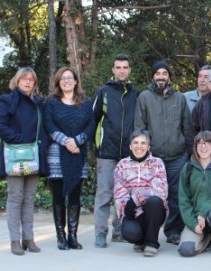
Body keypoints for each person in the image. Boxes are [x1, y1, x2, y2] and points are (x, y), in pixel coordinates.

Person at [134, 61, 190, 245]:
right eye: (157, 73)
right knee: (151, 197)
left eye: (164, 73)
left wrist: (188, 153)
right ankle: (146, 233)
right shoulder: (144, 97)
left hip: (177, 157)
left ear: (169, 76)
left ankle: (173, 231)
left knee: (175, 196)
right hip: (153, 159)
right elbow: (139, 127)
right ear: (153, 76)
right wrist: (142, 155)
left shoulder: (180, 98)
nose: (160, 76)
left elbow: (187, 128)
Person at [0, 67, 49, 255]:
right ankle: (14, 241)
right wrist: (20, 142)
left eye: (31, 79)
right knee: (15, 197)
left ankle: (29, 238)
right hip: (15, 156)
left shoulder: (39, 103)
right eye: (24, 79)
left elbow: (44, 128)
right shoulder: (7, 100)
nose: (27, 82)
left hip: (34, 156)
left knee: (29, 198)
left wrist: (41, 146)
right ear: (17, 81)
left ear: (34, 83)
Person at [44, 67, 95, 250]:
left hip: (78, 153)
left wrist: (77, 141)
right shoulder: (50, 102)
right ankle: (61, 236)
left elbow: (91, 125)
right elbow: (48, 125)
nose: (66, 81)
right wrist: (66, 141)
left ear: (75, 81)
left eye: (70, 78)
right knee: (58, 196)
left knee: (75, 196)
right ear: (58, 82)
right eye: (63, 78)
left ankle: (73, 236)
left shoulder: (86, 103)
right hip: (57, 154)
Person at [93, 53, 139, 248]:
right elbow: (92, 121)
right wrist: (95, 148)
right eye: (118, 67)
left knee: (125, 195)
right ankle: (100, 233)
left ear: (129, 70)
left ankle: (119, 231)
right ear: (113, 70)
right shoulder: (103, 92)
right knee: (104, 193)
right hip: (107, 153)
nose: (121, 70)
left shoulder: (136, 95)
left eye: (125, 67)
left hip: (128, 154)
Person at [114, 131, 168, 257]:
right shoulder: (122, 165)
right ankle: (140, 240)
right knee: (130, 233)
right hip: (132, 212)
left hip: (153, 210)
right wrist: (129, 207)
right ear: (130, 146)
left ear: (148, 147)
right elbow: (119, 193)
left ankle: (151, 243)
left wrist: (135, 200)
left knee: (154, 201)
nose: (139, 146)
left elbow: (160, 189)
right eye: (136, 143)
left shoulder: (157, 163)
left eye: (143, 143)